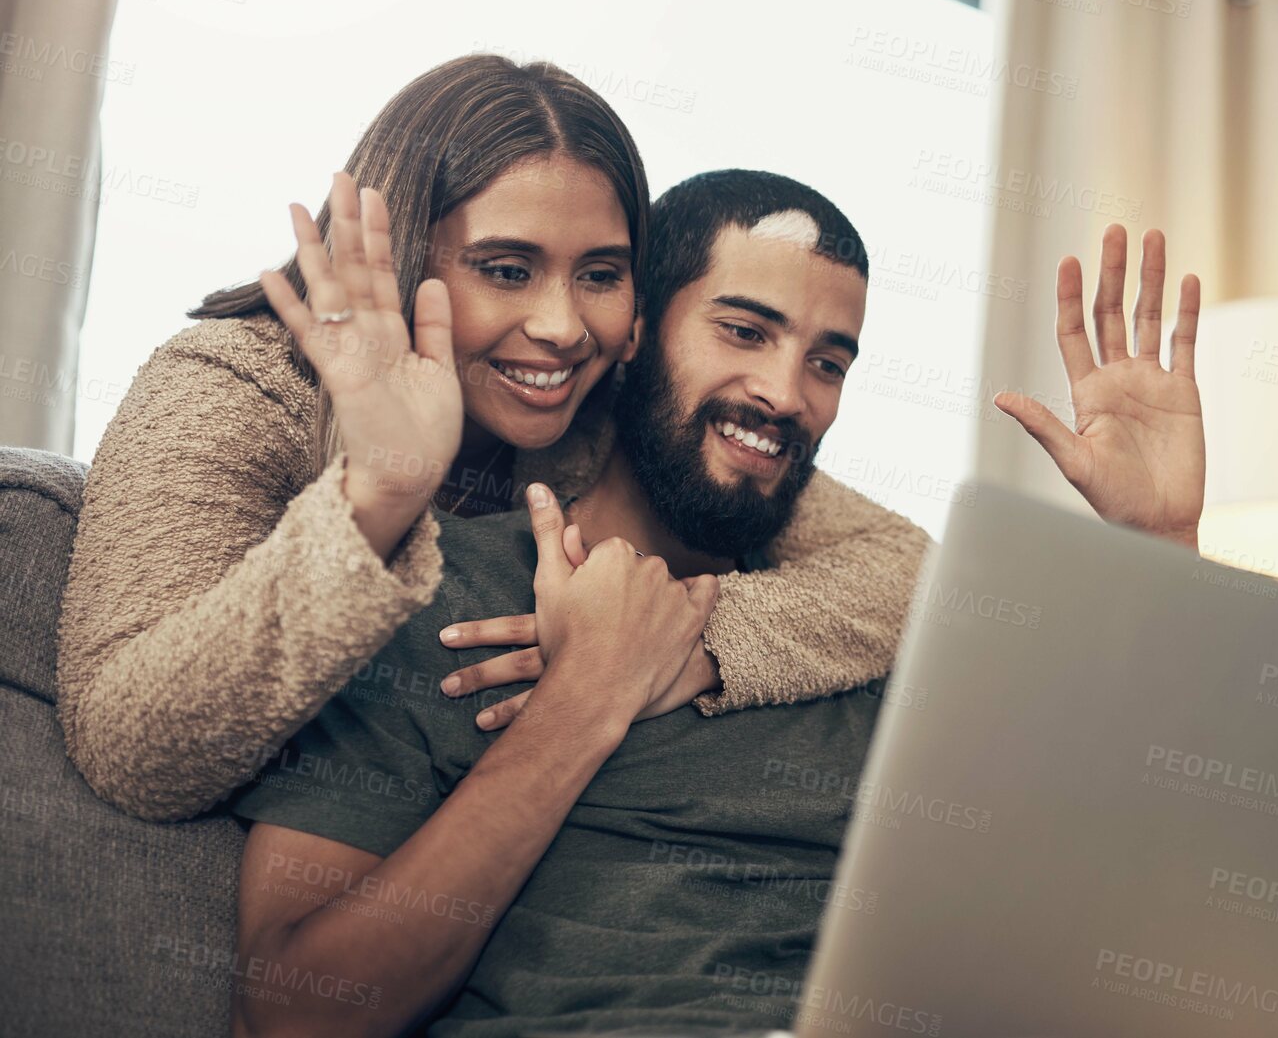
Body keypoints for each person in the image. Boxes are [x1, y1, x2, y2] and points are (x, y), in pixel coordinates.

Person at [226, 168, 1207, 1037]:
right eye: (744, 331)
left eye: (828, 361)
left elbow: (1127, 897)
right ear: (636, 334)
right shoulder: (440, 591)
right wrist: (586, 699)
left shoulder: (865, 644)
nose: (786, 392)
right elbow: (295, 1012)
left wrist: (1161, 550)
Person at [52, 56, 927, 823]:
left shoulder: (608, 401)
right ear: (403, 259)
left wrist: (672, 640)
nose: (561, 327)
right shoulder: (235, 385)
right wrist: (378, 498)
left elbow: (909, 567)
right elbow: (135, 755)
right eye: (507, 271)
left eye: (600, 276)